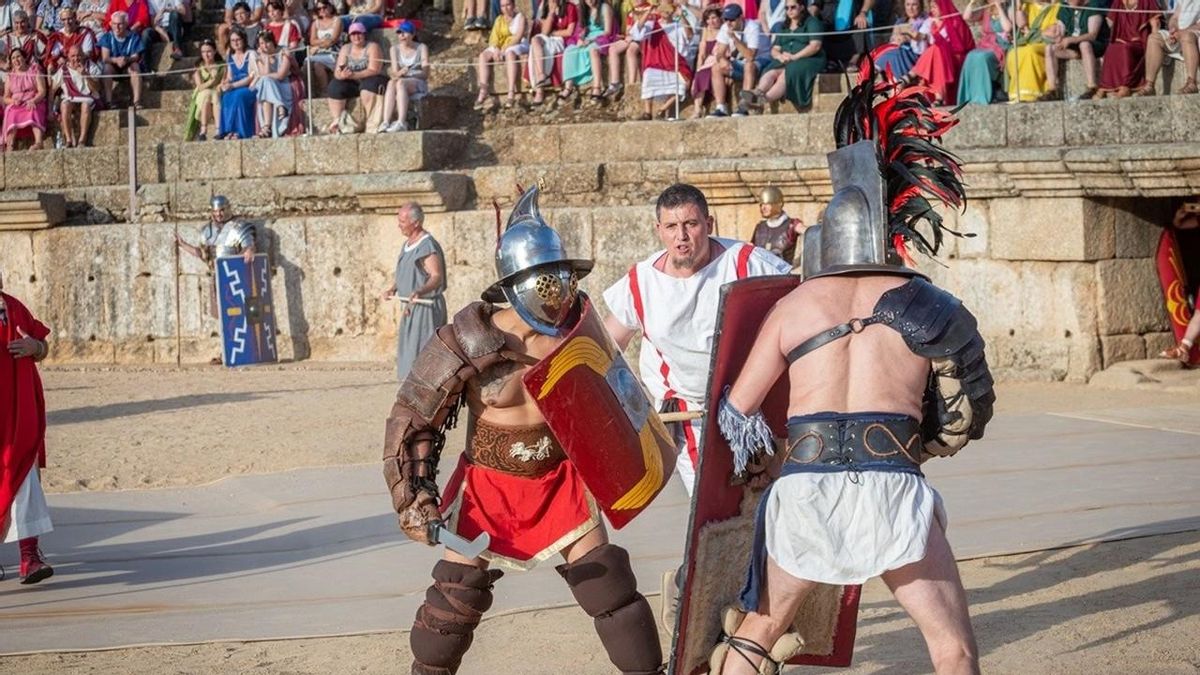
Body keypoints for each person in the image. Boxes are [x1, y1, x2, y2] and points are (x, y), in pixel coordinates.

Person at [707, 61, 994, 675]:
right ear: (893, 235)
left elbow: (738, 411)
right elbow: (964, 419)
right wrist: (922, 437)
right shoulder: (926, 302)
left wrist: (764, 464)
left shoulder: (794, 305)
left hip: (805, 491)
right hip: (891, 488)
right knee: (953, 647)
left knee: (756, 637)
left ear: (828, 242)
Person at [383, 187, 665, 675]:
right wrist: (414, 498)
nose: (558, 292)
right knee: (451, 606)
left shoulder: (578, 332)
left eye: (563, 277)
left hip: (559, 480)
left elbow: (620, 397)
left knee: (610, 591)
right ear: (516, 284)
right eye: (546, 279)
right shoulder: (467, 340)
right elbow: (414, 419)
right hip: (488, 486)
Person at [602, 184, 791, 498]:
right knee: (710, 512)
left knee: (772, 506)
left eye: (691, 224)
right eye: (671, 227)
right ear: (659, 230)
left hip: (755, 409)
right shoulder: (641, 283)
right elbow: (607, 351)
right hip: (691, 419)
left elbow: (796, 319)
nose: (681, 236)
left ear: (709, 224)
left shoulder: (747, 263)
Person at [1, 270, 55, 586]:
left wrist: (35, 346)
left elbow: (44, 347)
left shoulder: (15, 307)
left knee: (26, 480)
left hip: (20, 413)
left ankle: (29, 557)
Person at [380, 203, 446, 381]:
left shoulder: (427, 245)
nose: (399, 225)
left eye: (402, 221)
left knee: (424, 354)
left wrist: (420, 291)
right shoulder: (407, 245)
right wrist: (393, 289)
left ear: (416, 223)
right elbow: (407, 273)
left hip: (425, 308)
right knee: (409, 355)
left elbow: (436, 276)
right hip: (411, 307)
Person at [737, 0, 827, 114]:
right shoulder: (784, 25)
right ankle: (757, 93)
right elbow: (775, 49)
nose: (789, 11)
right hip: (786, 59)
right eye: (787, 8)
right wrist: (779, 56)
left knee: (786, 73)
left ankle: (763, 100)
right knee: (770, 72)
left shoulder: (812, 23)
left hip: (809, 59)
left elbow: (815, 46)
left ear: (802, 7)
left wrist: (795, 57)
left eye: (793, 7)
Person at [905, 0, 973, 104]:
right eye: (931, 7)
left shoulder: (955, 21)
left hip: (955, 58)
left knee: (937, 48)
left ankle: (911, 75)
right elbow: (921, 43)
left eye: (935, 7)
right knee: (936, 51)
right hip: (938, 58)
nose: (932, 10)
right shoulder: (930, 22)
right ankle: (939, 97)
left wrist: (937, 34)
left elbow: (960, 46)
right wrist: (917, 37)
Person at [324, 21, 385, 134]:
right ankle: (338, 121)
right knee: (334, 86)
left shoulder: (372, 47)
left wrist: (355, 75)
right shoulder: (346, 49)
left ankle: (372, 123)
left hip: (370, 78)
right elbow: (337, 71)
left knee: (368, 87)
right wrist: (342, 75)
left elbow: (374, 70)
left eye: (359, 33)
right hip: (352, 81)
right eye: (353, 34)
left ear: (364, 34)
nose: (356, 37)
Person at [709, 3, 770, 117]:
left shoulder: (752, 27)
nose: (728, 22)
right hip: (742, 62)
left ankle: (744, 106)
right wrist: (722, 59)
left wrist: (734, 38)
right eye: (726, 19)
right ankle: (721, 107)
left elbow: (750, 56)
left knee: (749, 65)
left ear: (741, 17)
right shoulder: (725, 27)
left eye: (731, 19)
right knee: (716, 67)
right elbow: (720, 52)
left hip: (762, 60)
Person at [1039, 0, 1107, 100]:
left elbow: (1092, 35)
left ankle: (1092, 86)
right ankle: (1052, 90)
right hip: (1074, 46)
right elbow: (1061, 30)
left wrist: (1072, 40)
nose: (1068, 1)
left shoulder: (1094, 5)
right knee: (1050, 48)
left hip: (1095, 45)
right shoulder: (1065, 6)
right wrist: (1057, 37)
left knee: (1084, 44)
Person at [636, 0, 692, 120]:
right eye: (663, 8)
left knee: (685, 83)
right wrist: (648, 11)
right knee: (648, 76)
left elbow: (689, 35)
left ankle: (662, 110)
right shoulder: (652, 25)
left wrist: (681, 15)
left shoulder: (678, 26)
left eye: (668, 8)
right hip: (656, 62)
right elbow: (637, 29)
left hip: (675, 63)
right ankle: (647, 112)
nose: (666, 11)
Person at [1136, 0, 1200, 95]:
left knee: (1187, 36)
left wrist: (1182, 33)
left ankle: (1192, 83)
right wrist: (1173, 29)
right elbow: (1174, 18)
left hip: (1195, 34)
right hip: (1179, 34)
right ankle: (1149, 85)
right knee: (1154, 38)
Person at [1097, 0, 1159, 97]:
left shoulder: (1147, 1)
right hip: (1121, 39)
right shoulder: (1118, 2)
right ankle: (1105, 87)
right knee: (1111, 49)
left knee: (1125, 49)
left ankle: (1126, 85)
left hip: (1140, 41)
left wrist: (1154, 41)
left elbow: (1155, 23)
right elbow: (1110, 23)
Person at [955, 0, 1011, 104]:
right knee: (971, 56)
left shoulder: (1008, 8)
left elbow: (1007, 28)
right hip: (986, 45)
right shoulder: (986, 10)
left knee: (982, 57)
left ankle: (983, 95)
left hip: (1000, 45)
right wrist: (972, 2)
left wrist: (999, 7)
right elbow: (966, 17)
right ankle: (971, 96)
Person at [474, 0, 527, 110]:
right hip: (502, 45)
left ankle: (511, 92)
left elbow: (518, 37)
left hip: (517, 44)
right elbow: (494, 38)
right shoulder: (499, 19)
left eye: (508, 5)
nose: (506, 8)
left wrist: (504, 49)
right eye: (503, 6)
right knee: (483, 56)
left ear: (513, 5)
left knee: (510, 54)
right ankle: (483, 91)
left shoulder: (520, 17)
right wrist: (497, 48)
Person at [560, 0, 617, 99]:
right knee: (569, 50)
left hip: (602, 37)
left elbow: (607, 31)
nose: (589, 1)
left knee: (592, 50)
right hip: (588, 37)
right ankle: (568, 87)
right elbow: (583, 29)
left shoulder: (605, 8)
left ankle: (597, 87)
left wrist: (592, 40)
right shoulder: (585, 9)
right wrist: (581, 38)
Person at [378, 20, 427, 133]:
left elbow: (425, 74)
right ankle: (386, 121)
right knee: (391, 83)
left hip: (417, 81)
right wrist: (401, 73)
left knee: (400, 83)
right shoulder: (394, 49)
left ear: (413, 34)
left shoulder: (421, 48)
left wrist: (410, 73)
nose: (402, 35)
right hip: (402, 79)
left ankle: (401, 121)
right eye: (399, 33)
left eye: (405, 32)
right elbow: (395, 73)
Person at [527, 0, 579, 106]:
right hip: (548, 37)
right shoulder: (546, 5)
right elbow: (544, 32)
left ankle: (539, 92)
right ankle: (541, 75)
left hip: (561, 39)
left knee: (543, 48)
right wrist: (551, 13)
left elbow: (569, 32)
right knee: (534, 41)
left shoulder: (570, 7)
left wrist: (553, 33)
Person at [52, 44, 101, 147]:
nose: (76, 58)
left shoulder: (91, 66)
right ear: (68, 57)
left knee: (85, 105)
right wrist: (49, 109)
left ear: (83, 55)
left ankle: (82, 140)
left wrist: (86, 75)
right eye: (73, 56)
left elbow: (96, 88)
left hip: (87, 98)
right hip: (71, 98)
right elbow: (52, 89)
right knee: (64, 105)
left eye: (79, 55)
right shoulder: (63, 69)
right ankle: (69, 140)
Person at [600, 0, 649, 100]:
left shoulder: (650, 10)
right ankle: (615, 82)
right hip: (631, 38)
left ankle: (632, 84)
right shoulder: (632, 11)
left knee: (631, 51)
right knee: (613, 48)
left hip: (643, 39)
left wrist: (633, 36)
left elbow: (648, 29)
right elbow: (628, 29)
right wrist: (626, 35)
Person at [2, 48, 47, 150]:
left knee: (33, 110)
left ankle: (38, 142)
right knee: (12, 112)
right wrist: (13, 101)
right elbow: (6, 97)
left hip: (33, 100)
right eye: (13, 58)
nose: (16, 60)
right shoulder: (10, 76)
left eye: (18, 56)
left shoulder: (35, 70)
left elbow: (42, 91)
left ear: (24, 58)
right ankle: (10, 145)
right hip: (17, 103)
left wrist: (33, 100)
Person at [749, 186, 806, 266]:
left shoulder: (791, 225)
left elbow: (811, 233)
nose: (763, 208)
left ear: (779, 204)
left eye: (767, 204)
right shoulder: (760, 228)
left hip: (782, 273)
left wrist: (797, 263)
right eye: (761, 204)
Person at [217, 27, 257, 138]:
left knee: (239, 96)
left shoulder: (251, 54)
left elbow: (252, 76)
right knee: (226, 97)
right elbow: (230, 76)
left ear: (243, 40)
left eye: (238, 39)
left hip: (249, 86)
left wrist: (233, 85)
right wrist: (225, 83)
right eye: (233, 40)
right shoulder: (230, 56)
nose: (235, 43)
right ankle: (228, 130)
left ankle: (240, 132)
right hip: (234, 86)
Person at [251, 30, 292, 137]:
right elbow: (265, 74)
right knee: (266, 83)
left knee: (265, 83)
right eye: (261, 43)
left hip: (282, 85)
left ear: (273, 41)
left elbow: (281, 75)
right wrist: (266, 59)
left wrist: (268, 75)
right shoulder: (260, 57)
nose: (265, 46)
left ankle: (266, 127)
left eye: (267, 42)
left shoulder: (283, 52)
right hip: (268, 86)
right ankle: (280, 106)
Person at [98, 10, 144, 107]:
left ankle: (137, 101)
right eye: (114, 24)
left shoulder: (133, 37)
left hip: (128, 66)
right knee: (106, 68)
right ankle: (109, 101)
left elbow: (135, 56)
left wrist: (126, 59)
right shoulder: (107, 37)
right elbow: (105, 57)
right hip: (113, 67)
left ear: (126, 24)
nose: (117, 27)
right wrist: (116, 60)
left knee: (135, 67)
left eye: (120, 24)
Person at [875, 0, 930, 78]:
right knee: (891, 50)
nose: (910, 8)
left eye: (914, 4)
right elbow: (893, 40)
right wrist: (897, 39)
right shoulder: (900, 21)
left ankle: (877, 69)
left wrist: (908, 38)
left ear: (920, 6)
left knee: (898, 53)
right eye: (908, 5)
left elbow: (924, 39)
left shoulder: (926, 21)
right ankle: (876, 70)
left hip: (916, 56)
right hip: (898, 52)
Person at [687, 5, 723, 117]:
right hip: (708, 61)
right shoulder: (706, 31)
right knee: (700, 73)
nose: (711, 21)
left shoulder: (724, 30)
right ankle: (697, 109)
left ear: (719, 18)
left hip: (720, 59)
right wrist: (698, 68)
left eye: (713, 18)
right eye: (708, 19)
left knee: (707, 72)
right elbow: (701, 53)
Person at [184, 38, 223, 140]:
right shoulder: (198, 66)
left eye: (209, 51)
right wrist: (212, 79)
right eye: (203, 52)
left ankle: (218, 129)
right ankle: (203, 130)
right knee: (207, 95)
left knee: (215, 95)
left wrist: (219, 85)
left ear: (214, 51)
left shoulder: (222, 65)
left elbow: (223, 81)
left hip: (217, 92)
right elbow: (200, 86)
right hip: (203, 92)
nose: (206, 55)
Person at [45, 7, 99, 73]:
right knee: (50, 67)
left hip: (81, 62)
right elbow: (54, 55)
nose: (67, 22)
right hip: (64, 64)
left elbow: (88, 54)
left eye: (69, 19)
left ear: (75, 18)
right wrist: (59, 59)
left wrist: (71, 61)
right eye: (64, 19)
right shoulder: (58, 35)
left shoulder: (84, 33)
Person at [306, 0, 342, 94]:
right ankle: (316, 91)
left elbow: (333, 40)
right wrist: (324, 42)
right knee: (311, 64)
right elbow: (312, 41)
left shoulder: (337, 21)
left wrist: (318, 45)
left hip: (334, 51)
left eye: (324, 7)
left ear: (330, 7)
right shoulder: (315, 23)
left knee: (312, 62)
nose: (322, 10)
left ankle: (324, 91)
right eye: (319, 9)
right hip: (320, 52)